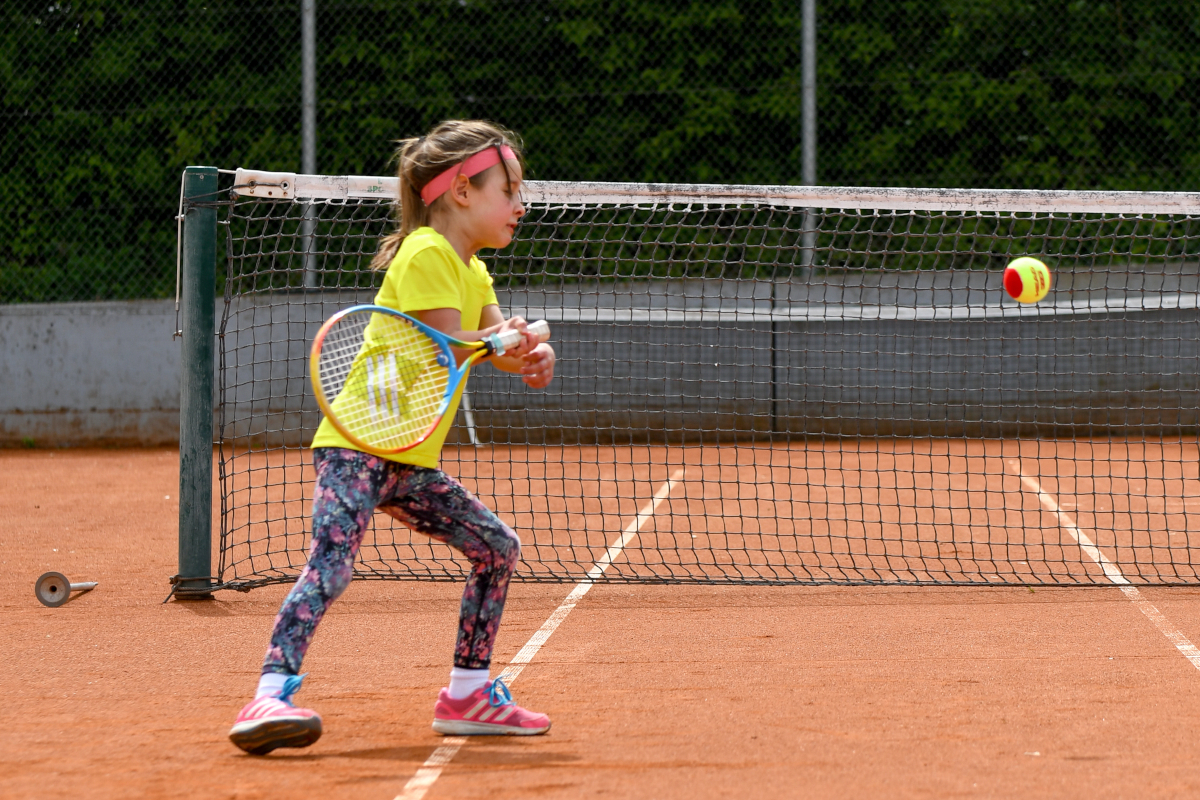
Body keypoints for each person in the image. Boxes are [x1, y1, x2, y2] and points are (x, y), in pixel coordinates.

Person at [229, 120, 556, 755]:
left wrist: (530, 357)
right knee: (333, 565)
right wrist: (503, 341)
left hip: (410, 460)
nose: (521, 204)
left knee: (497, 547)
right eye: (508, 189)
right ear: (462, 191)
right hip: (357, 447)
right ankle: (268, 694)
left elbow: (491, 350)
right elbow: (451, 345)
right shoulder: (426, 251)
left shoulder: (475, 272)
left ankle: (467, 694)